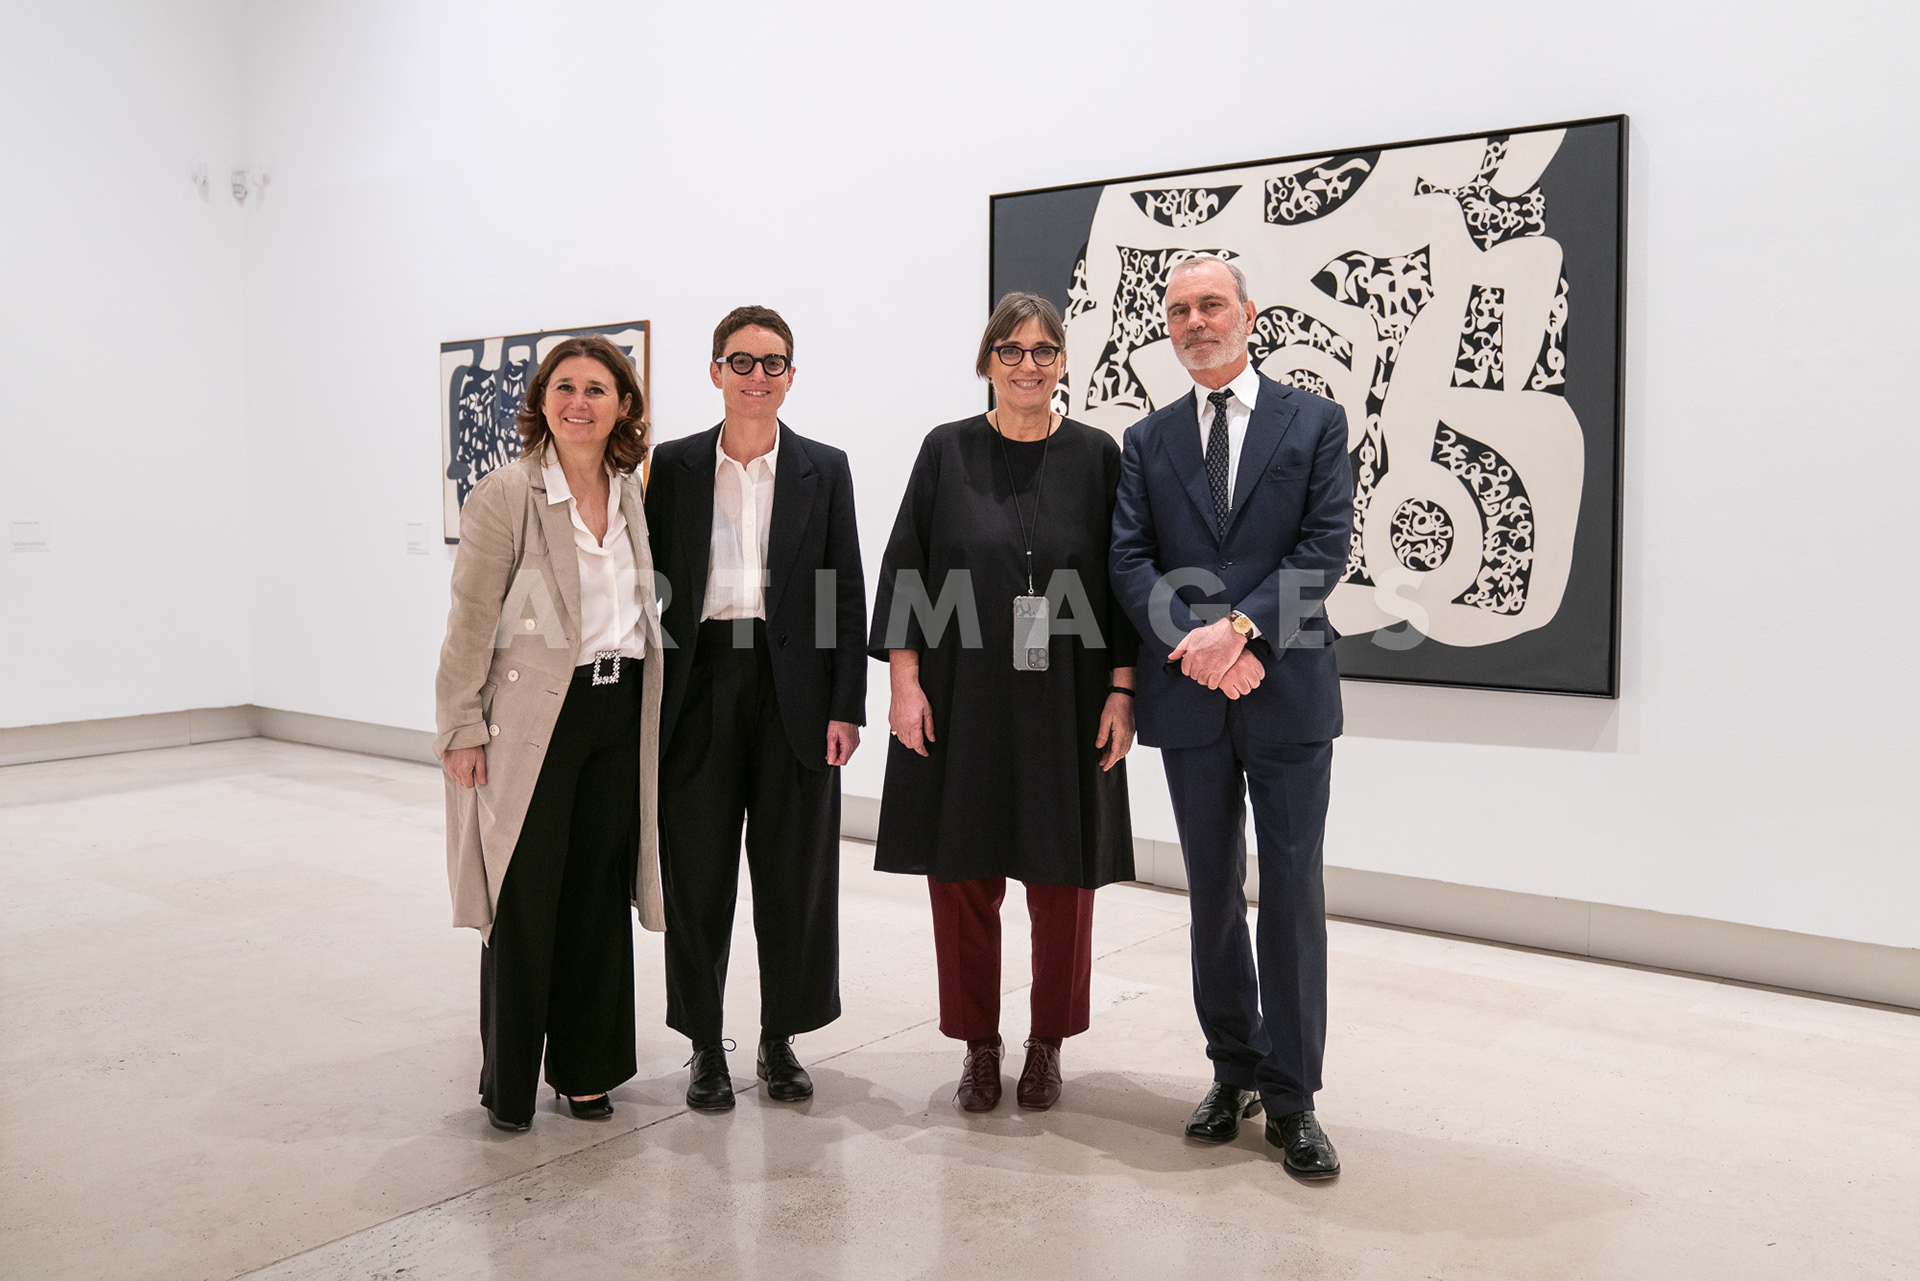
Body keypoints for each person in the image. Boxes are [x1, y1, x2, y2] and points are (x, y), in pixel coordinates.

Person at [1109, 255, 1353, 1178]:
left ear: (1248, 313)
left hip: (1287, 692)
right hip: (1191, 698)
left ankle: (1292, 1097)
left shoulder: (1315, 422)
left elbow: (1324, 549)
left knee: (1291, 895)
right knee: (1211, 894)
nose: (1194, 321)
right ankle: (1231, 1066)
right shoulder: (1149, 438)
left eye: (1211, 304)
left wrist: (1240, 630)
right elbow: (1129, 561)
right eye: (1178, 310)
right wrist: (1198, 645)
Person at [870, 292, 1137, 1113]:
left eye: (1045, 350)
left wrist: (1124, 691)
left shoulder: (1098, 456)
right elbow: (907, 570)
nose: (1029, 365)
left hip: (1068, 694)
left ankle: (1046, 1044)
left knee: (1064, 880)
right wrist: (904, 681)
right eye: (1012, 350)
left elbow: (1124, 583)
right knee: (963, 874)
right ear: (986, 361)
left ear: (1064, 363)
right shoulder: (945, 451)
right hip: (962, 692)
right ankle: (978, 1045)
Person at [434, 334, 666, 1133]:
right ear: (541, 401)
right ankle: (510, 1080)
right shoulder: (504, 495)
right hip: (535, 719)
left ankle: (588, 1067)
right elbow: (469, 621)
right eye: (563, 387)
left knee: (596, 897)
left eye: (597, 388)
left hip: (616, 709)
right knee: (525, 897)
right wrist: (461, 725)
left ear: (624, 405)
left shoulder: (630, 490)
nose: (579, 401)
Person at [644, 306, 867, 1111]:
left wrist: (848, 703)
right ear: (715, 372)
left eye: (773, 363)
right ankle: (705, 1044)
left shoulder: (824, 467)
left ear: (791, 377)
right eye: (741, 362)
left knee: (793, 872)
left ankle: (781, 1039)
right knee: (697, 872)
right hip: (699, 686)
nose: (757, 377)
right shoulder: (670, 467)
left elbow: (847, 591)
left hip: (796, 692)